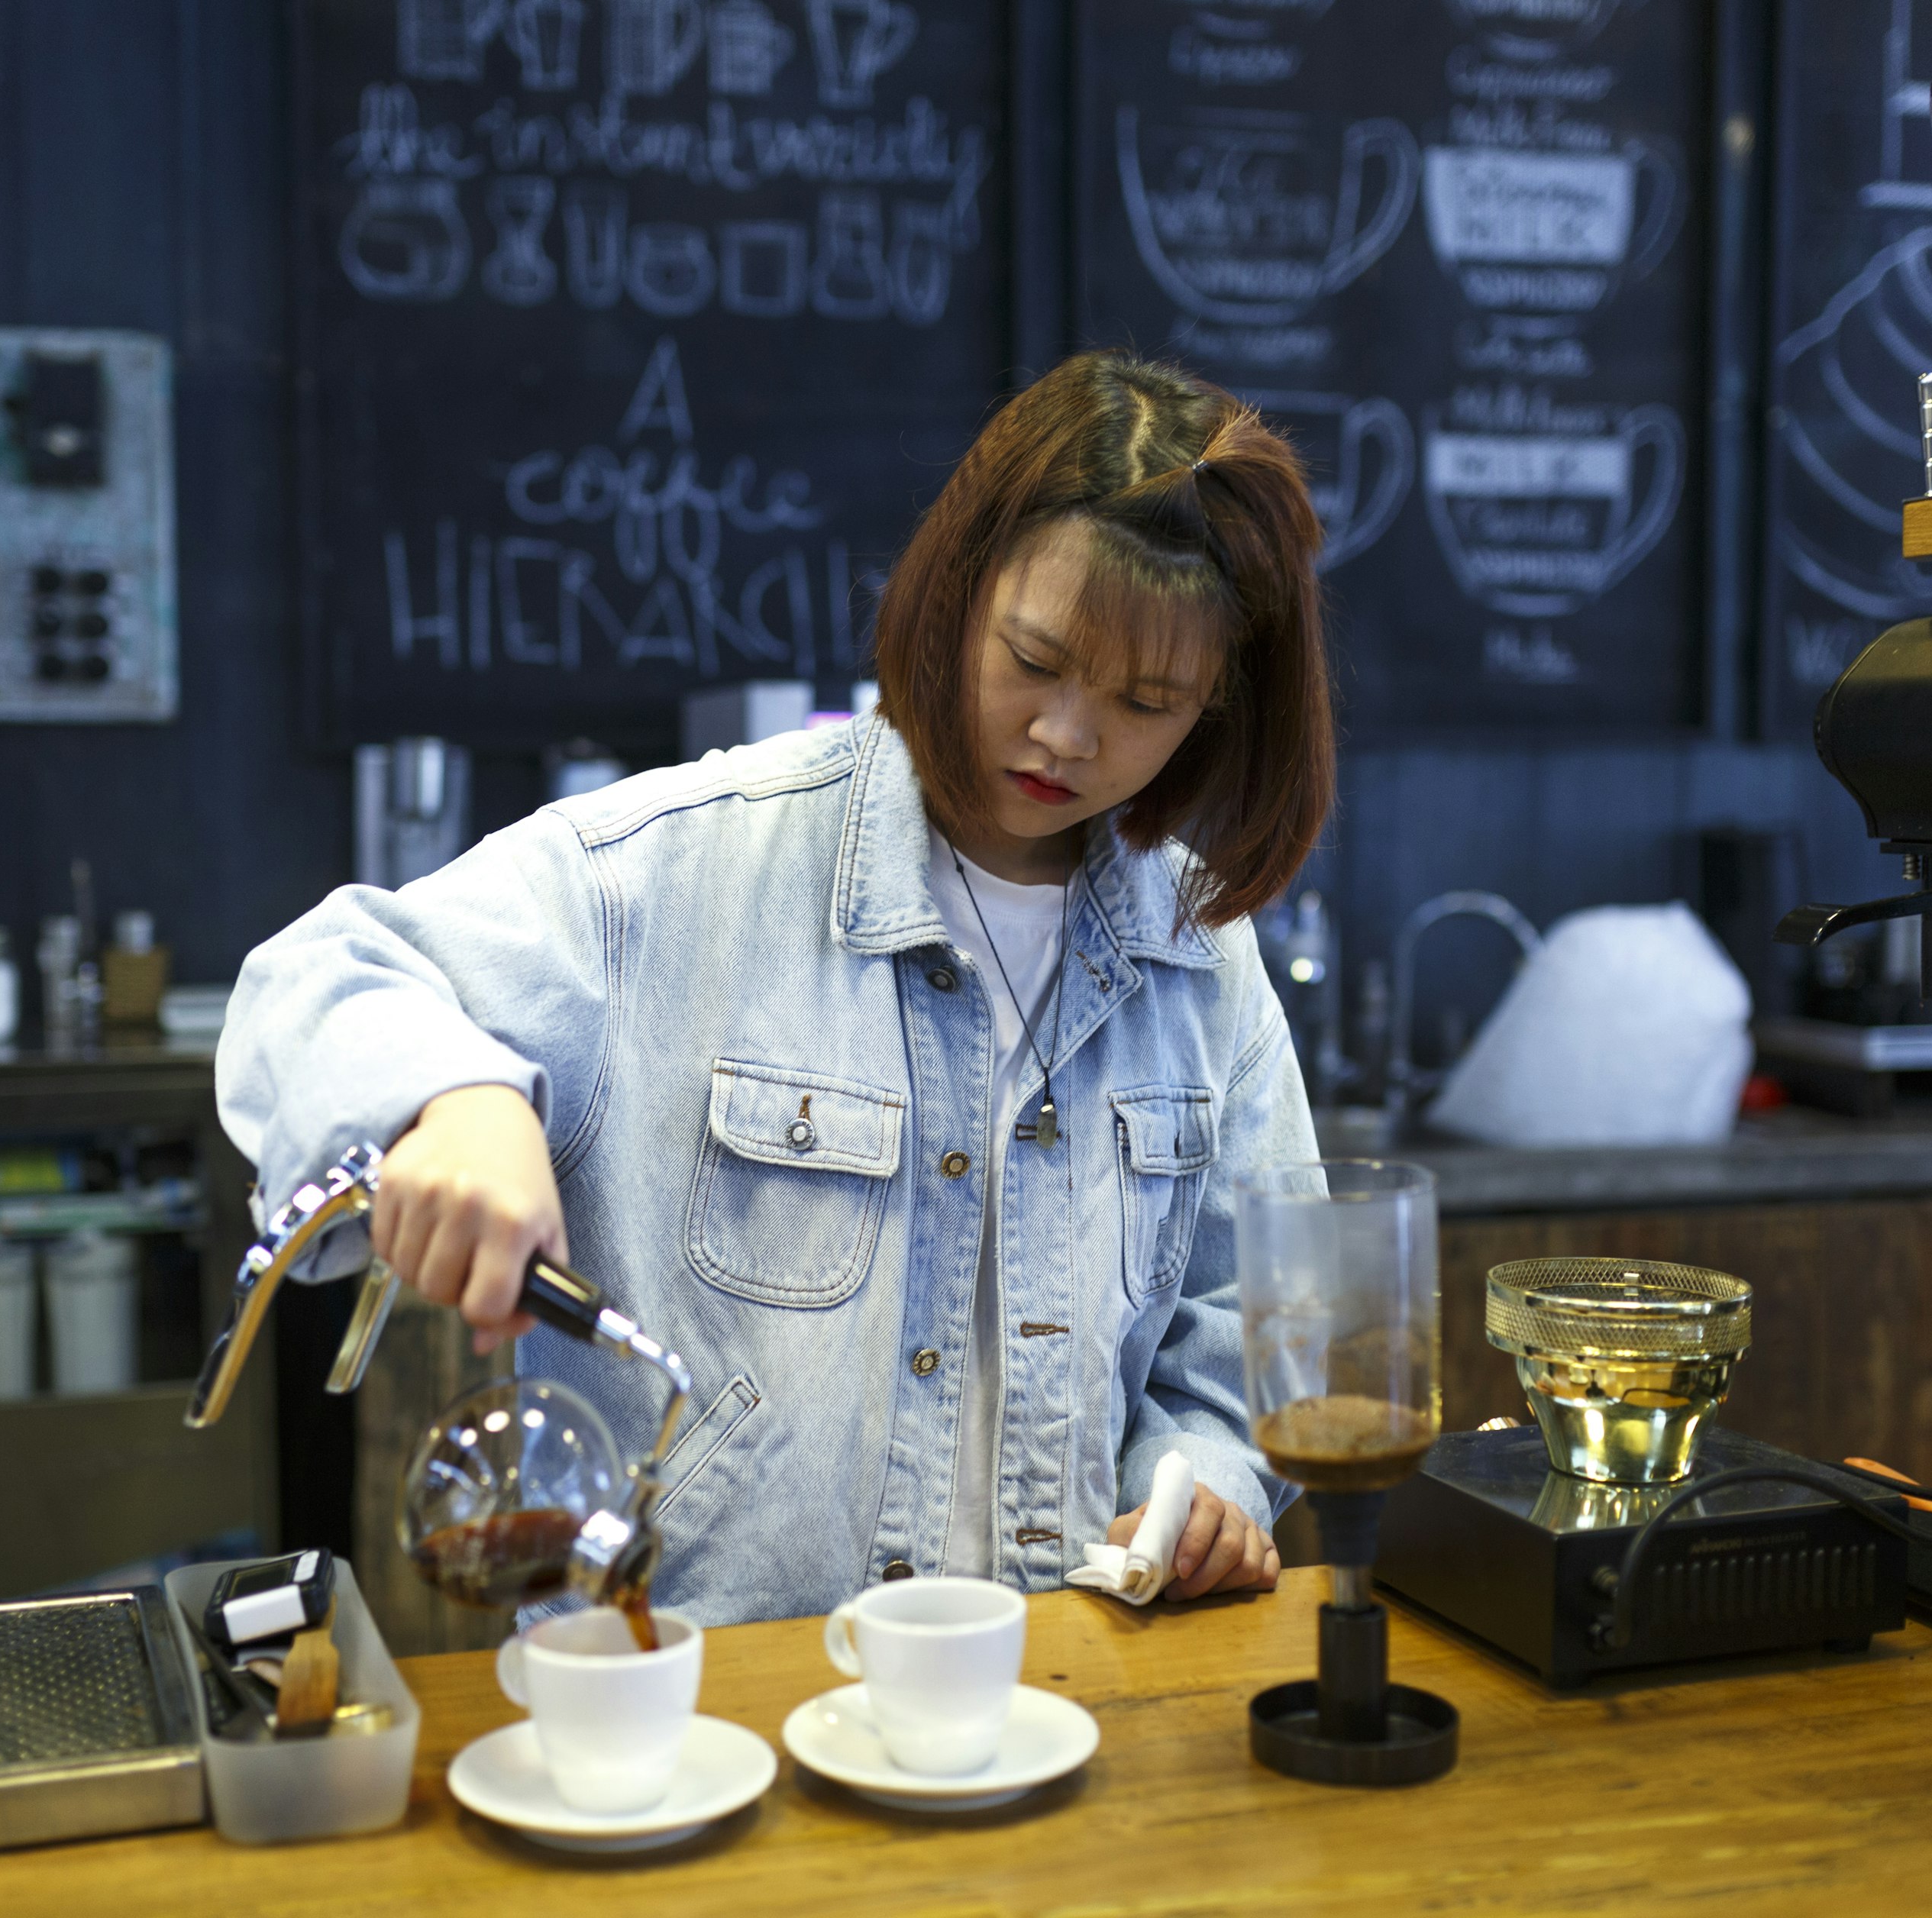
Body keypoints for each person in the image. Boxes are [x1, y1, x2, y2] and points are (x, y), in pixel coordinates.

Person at [220, 352, 1336, 1625]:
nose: (1067, 735)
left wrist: (1203, 1489)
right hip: (707, 1723)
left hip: (1059, 1708)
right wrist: (454, 1101)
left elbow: (1244, 1325)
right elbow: (318, 977)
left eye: (1146, 702)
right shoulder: (683, 868)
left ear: (1217, 712)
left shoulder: (1201, 955)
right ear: (957, 593)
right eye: (1034, 659)